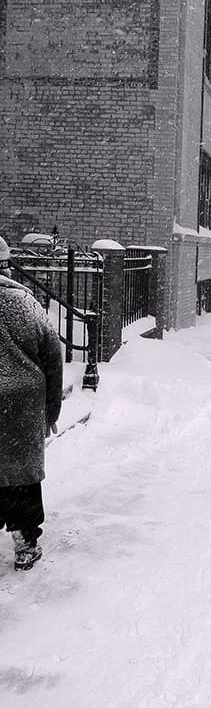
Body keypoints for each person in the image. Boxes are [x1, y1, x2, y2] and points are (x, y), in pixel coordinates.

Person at [0, 236, 63, 570]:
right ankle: (25, 542)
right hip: (21, 405)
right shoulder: (25, 304)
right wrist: (52, 409)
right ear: (6, 265)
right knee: (21, 478)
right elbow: (53, 356)